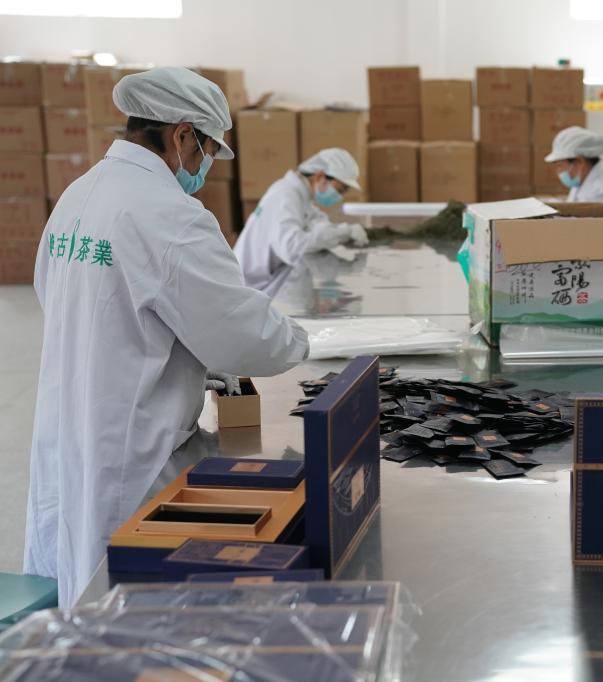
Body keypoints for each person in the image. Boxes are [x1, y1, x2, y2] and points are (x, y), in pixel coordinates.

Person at [24, 67, 310, 606]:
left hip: (71, 423)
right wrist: (303, 341)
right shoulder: (172, 216)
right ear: (182, 135)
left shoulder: (78, 195)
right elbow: (240, 334)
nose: (204, 167)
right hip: (130, 443)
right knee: (119, 592)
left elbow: (60, 296)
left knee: (72, 566)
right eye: (207, 150)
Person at [233, 149, 369, 297]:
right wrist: (344, 233)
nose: (339, 196)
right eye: (340, 190)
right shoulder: (286, 195)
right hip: (248, 286)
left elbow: (319, 221)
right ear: (320, 176)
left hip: (259, 282)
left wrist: (342, 231)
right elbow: (291, 247)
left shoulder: (302, 198)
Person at [544, 126, 603, 204]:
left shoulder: (601, 193)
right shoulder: (583, 179)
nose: (558, 171)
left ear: (580, 161)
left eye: (560, 165)